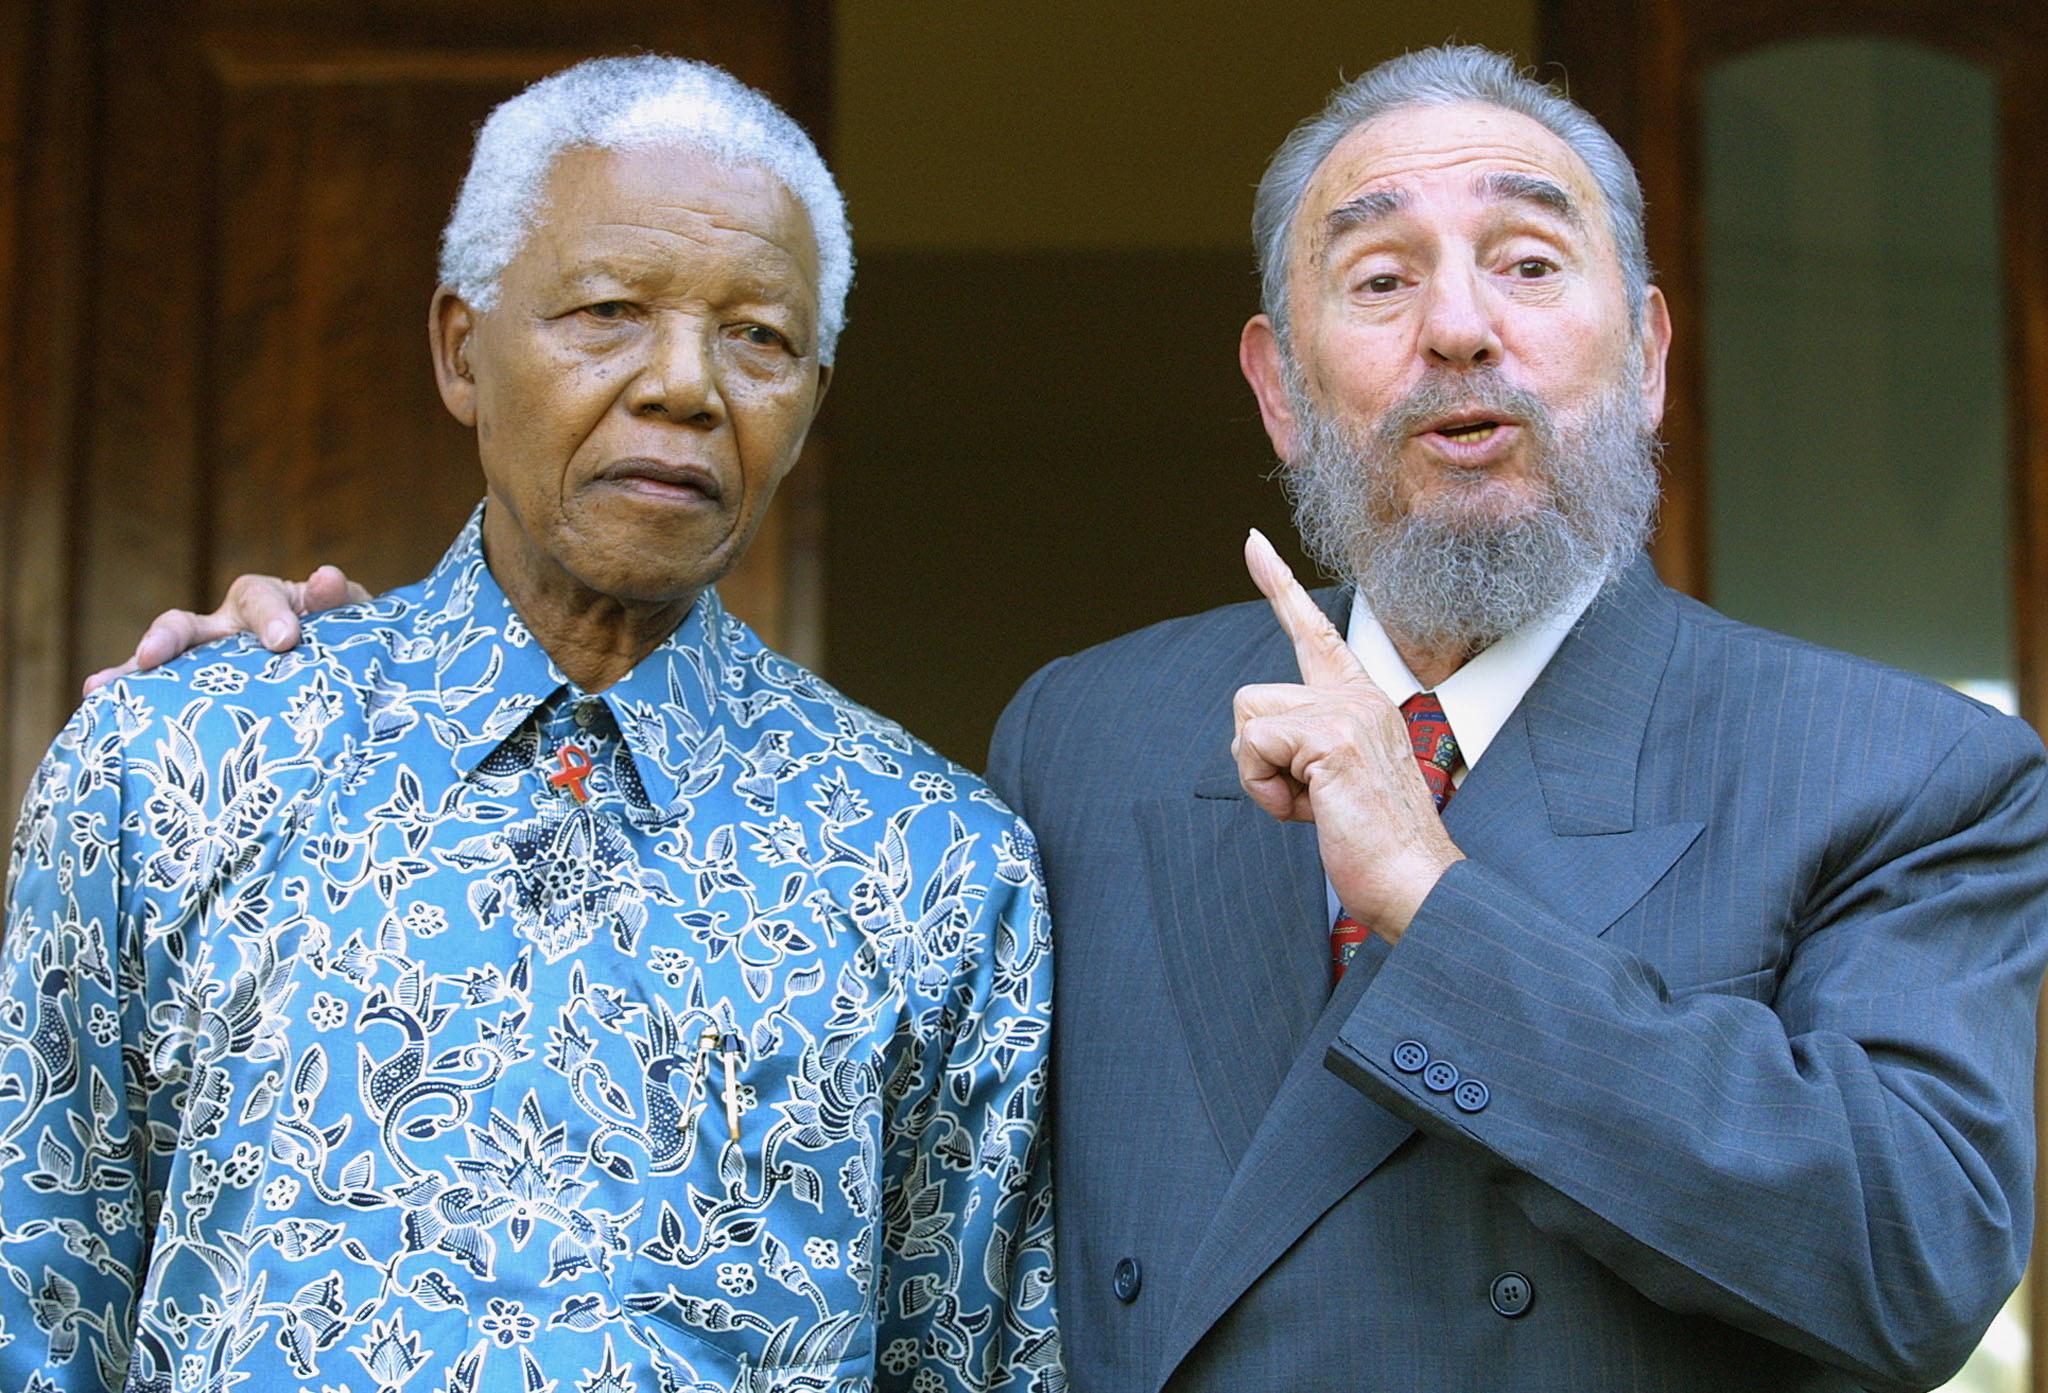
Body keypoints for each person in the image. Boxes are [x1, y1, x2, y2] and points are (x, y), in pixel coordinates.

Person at [96, 44, 2048, 1393]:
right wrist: (301, 695)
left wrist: (1434, 899)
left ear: (1647, 353)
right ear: (1284, 392)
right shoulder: (1093, 740)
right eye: (1382, 279)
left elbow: (1904, 1262)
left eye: (1530, 265)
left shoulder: (1902, 775)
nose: (1461, 328)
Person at [2, 56, 1058, 1393]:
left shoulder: (937, 865)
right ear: (461, 349)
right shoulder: (179, 765)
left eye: (761, 338)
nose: (687, 384)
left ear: (811, 405)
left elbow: (966, 1364)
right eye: (610, 311)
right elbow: (33, 1307)